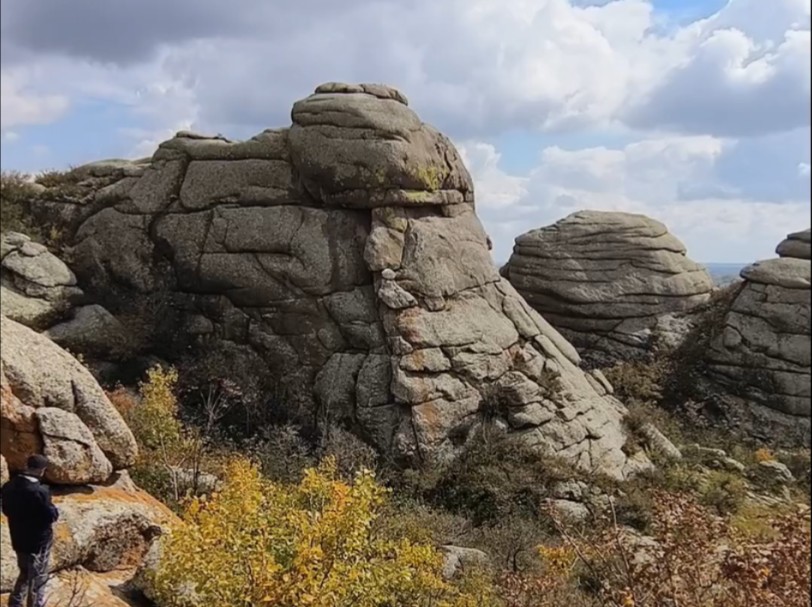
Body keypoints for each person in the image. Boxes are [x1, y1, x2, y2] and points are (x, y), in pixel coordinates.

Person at [1, 454, 60, 607]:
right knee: (38, 578)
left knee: (25, 572)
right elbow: (50, 516)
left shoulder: (9, 486)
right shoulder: (40, 491)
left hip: (19, 538)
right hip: (38, 541)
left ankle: (15, 602)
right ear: (42, 470)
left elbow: (6, 510)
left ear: (27, 465)